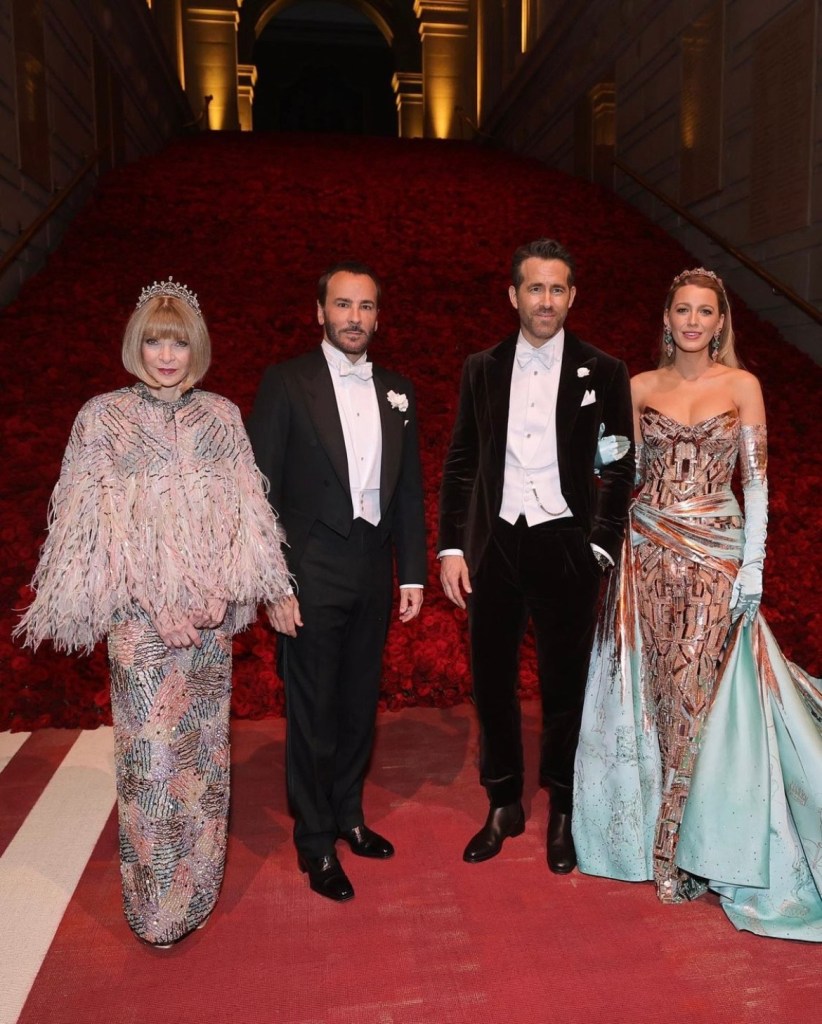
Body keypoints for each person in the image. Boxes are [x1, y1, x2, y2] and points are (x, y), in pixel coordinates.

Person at [16, 279, 292, 947]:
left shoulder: (221, 417)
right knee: (152, 765)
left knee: (204, 759)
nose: (166, 356)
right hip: (139, 626)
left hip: (207, 624)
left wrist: (226, 591)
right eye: (153, 341)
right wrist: (150, 600)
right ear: (135, 346)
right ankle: (156, 909)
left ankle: (198, 890)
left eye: (178, 342)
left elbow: (248, 517)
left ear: (197, 347)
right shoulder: (102, 419)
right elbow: (89, 528)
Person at [573, 268, 822, 941]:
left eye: (704, 312)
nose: (691, 321)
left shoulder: (742, 386)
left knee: (698, 695)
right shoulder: (638, 387)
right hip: (648, 553)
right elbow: (623, 473)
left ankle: (685, 850)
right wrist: (599, 453)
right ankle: (670, 839)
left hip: (716, 556)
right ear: (666, 318)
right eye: (681, 309)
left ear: (720, 322)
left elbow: (758, 483)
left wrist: (754, 565)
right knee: (657, 693)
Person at [438, 238, 634, 872]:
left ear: (571, 296)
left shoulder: (604, 370)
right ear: (513, 294)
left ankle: (565, 809)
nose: (545, 300)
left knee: (564, 688)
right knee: (491, 682)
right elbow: (462, 461)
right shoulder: (482, 367)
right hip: (495, 545)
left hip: (566, 546)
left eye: (556, 289)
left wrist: (600, 544)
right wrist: (451, 546)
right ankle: (503, 803)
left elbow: (618, 464)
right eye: (534, 288)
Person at [247, 260, 427, 903]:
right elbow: (258, 489)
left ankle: (349, 814)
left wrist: (412, 574)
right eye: (344, 305)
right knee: (313, 709)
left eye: (366, 306)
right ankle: (316, 839)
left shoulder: (398, 390)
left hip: (373, 565)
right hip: (310, 566)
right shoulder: (286, 382)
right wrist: (274, 582)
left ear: (378, 315)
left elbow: (409, 489)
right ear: (319, 311)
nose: (355, 317)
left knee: (357, 703)